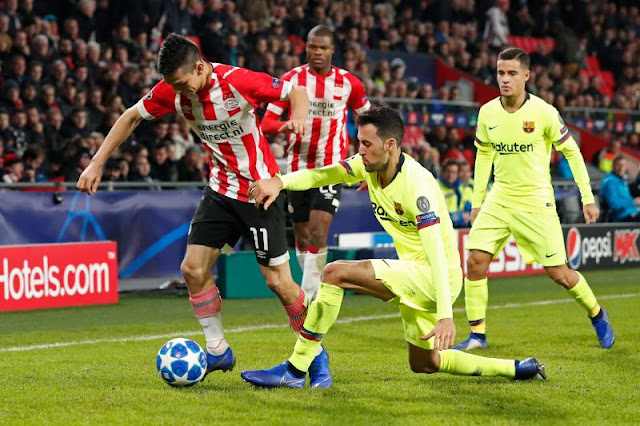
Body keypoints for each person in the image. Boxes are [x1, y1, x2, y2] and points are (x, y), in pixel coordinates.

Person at [76, 33, 324, 381]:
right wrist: (96, 163)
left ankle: (316, 357)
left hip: (260, 191)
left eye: (181, 83)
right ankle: (218, 350)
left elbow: (296, 90)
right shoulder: (173, 90)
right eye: (172, 86)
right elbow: (131, 116)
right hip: (220, 190)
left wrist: (298, 117)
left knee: (279, 283)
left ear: (199, 67)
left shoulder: (237, 81)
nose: (177, 92)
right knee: (192, 269)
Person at [241, 106, 546, 388]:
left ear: (389, 145)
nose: (360, 150)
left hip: (434, 278)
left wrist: (446, 315)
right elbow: (322, 174)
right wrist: (279, 182)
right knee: (425, 363)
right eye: (359, 143)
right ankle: (517, 368)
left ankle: (296, 370)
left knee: (334, 273)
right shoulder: (367, 166)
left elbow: (437, 255)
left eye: (366, 144)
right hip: (415, 274)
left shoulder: (417, 186)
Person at [454, 48, 615, 352]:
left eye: (512, 73)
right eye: (500, 73)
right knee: (475, 261)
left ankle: (597, 314)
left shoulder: (544, 112)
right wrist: (477, 203)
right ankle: (477, 335)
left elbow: (572, 152)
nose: (505, 79)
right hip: (500, 198)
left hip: (536, 201)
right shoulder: (487, 112)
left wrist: (587, 197)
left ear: (526, 75)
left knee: (560, 274)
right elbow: (483, 156)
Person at [261, 25, 370, 302]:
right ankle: (315, 288)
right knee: (302, 237)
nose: (317, 52)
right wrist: (287, 125)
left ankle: (309, 299)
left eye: (322, 47)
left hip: (332, 168)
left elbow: (369, 123)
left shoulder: (349, 83)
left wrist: (366, 164)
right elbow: (267, 123)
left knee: (318, 231)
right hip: (297, 170)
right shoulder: (291, 81)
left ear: (332, 50)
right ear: (306, 48)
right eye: (312, 46)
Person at [600, 155, 640, 222]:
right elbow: (614, 205)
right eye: (618, 165)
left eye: (623, 165)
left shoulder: (621, 181)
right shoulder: (610, 182)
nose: (621, 168)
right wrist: (633, 202)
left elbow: (626, 199)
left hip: (632, 213)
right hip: (621, 217)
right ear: (613, 166)